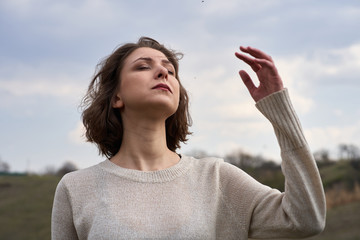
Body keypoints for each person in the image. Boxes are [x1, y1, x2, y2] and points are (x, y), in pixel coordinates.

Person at [51, 37, 326, 239]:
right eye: (143, 67)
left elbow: (306, 219)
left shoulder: (216, 178)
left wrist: (279, 111)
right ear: (116, 97)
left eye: (170, 71)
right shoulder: (75, 188)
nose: (163, 73)